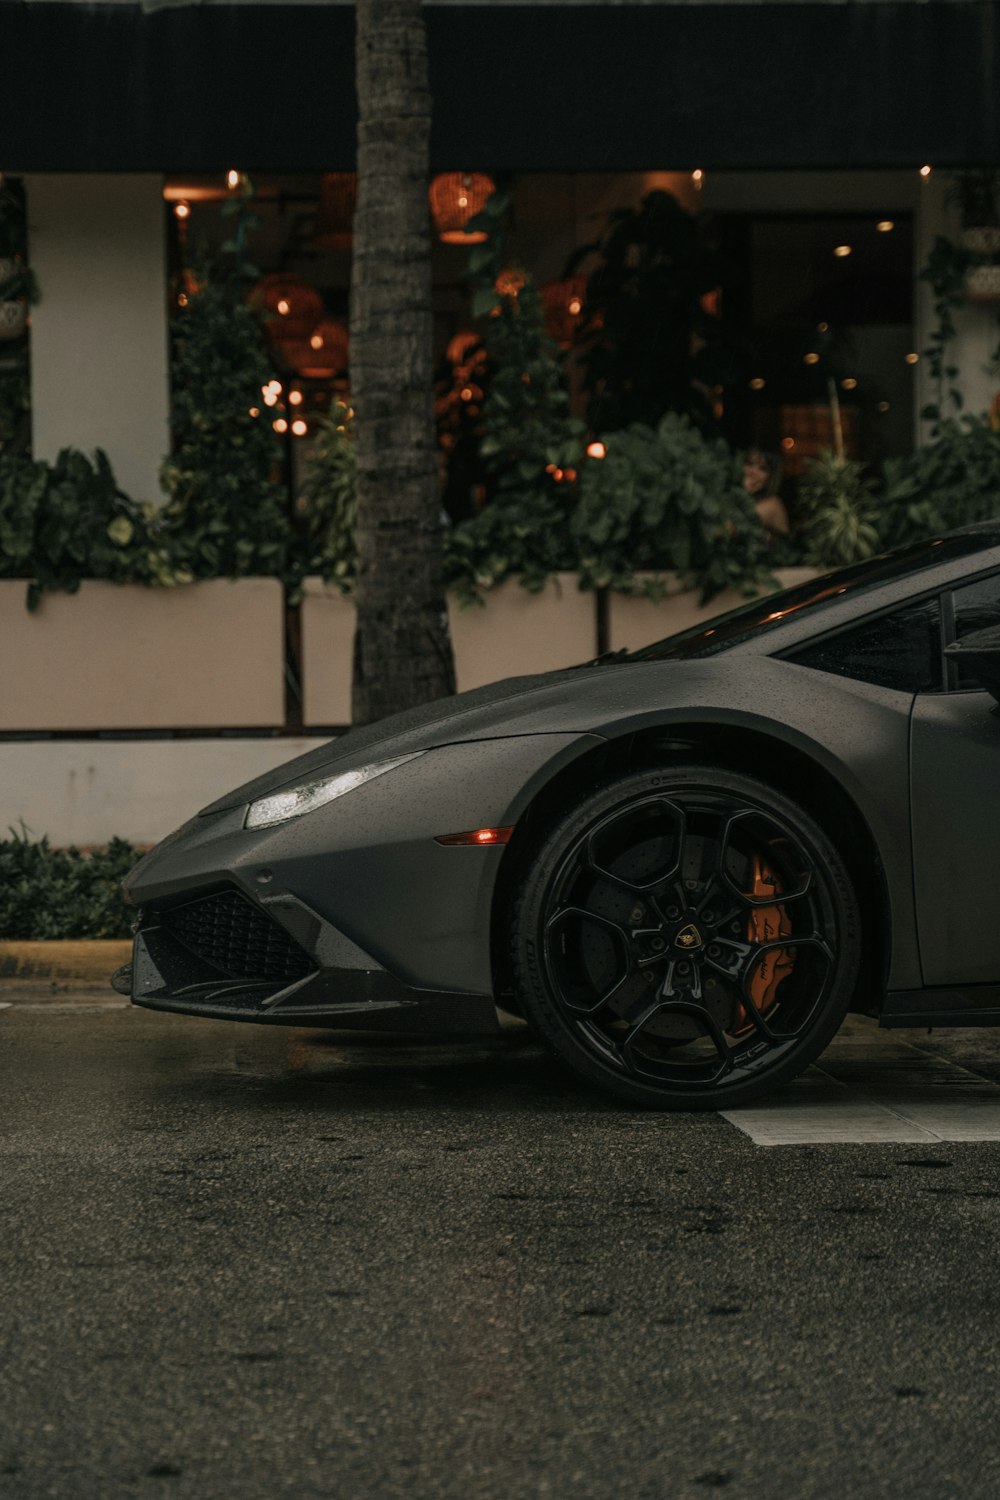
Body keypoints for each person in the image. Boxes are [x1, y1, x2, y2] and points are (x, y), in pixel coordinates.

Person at [742, 448, 790, 538]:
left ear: (770, 478)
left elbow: (728, 529)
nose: (753, 472)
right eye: (749, 463)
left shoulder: (773, 505)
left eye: (762, 468)